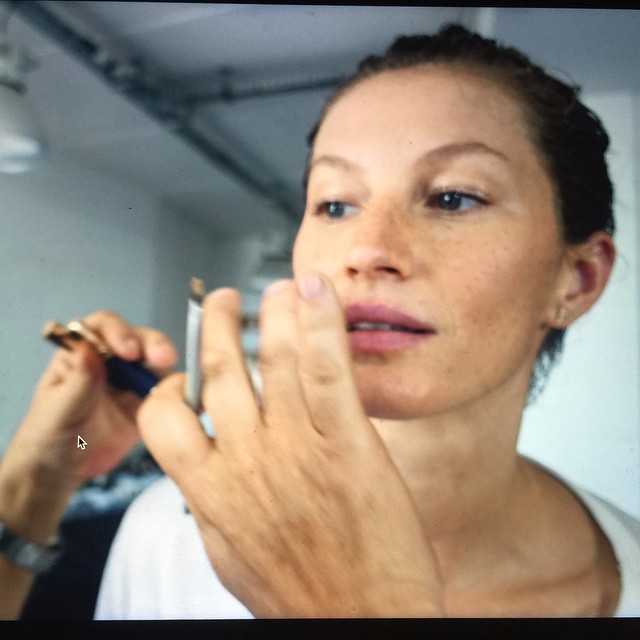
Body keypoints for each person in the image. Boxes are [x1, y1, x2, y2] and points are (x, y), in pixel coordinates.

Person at [1, 23, 638, 619]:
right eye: (335, 205)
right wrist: (60, 464)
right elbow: (76, 457)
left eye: (454, 198)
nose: (368, 249)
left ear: (577, 278)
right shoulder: (161, 531)